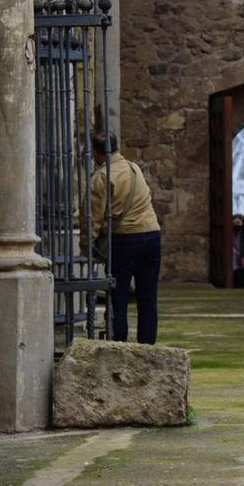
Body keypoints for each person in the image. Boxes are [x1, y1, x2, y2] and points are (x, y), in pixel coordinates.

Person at [86, 131, 162, 344]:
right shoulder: (134, 168)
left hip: (125, 239)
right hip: (152, 235)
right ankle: (147, 349)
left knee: (118, 297)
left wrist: (88, 248)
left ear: (98, 154)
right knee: (148, 299)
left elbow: (92, 218)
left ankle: (119, 345)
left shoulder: (101, 176)